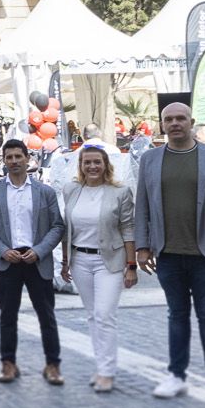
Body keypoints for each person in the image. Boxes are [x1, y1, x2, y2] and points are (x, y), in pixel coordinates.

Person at [134, 101, 205, 402]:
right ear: (162, 124)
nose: (175, 123)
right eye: (168, 119)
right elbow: (141, 205)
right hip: (167, 252)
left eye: (180, 118)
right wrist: (142, 246)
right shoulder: (150, 159)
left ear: (192, 121)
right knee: (176, 314)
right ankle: (176, 374)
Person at [0, 138, 66, 384]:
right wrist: (2, 250)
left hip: (36, 260)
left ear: (28, 158)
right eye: (9, 157)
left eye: (19, 156)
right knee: (7, 316)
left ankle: (52, 364)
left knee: (46, 315)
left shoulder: (44, 192)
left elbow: (57, 226)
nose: (14, 161)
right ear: (3, 161)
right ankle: (8, 364)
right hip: (8, 260)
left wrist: (40, 250)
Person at [58, 142, 137, 393]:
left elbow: (128, 229)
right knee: (93, 316)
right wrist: (65, 261)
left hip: (109, 261)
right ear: (80, 166)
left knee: (105, 315)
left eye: (97, 162)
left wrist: (131, 264)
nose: (92, 166)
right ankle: (101, 365)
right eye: (87, 162)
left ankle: (107, 371)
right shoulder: (71, 190)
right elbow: (66, 229)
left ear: (105, 165)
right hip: (80, 260)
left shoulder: (120, 192)